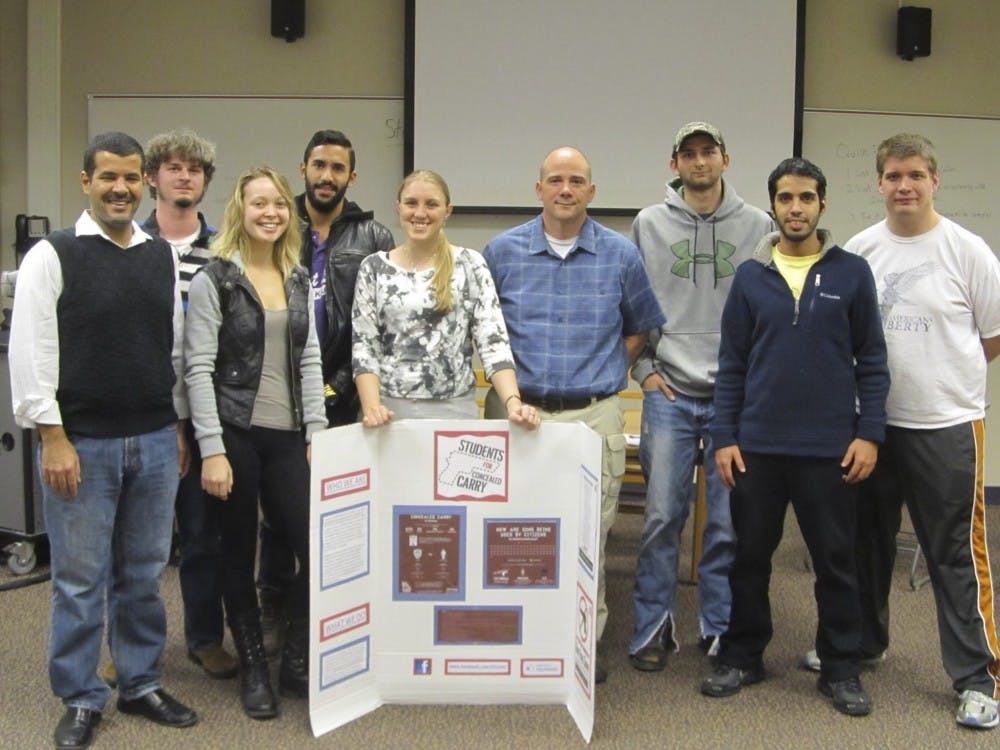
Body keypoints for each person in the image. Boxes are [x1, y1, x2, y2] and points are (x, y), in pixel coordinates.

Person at [9, 131, 198, 750]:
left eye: (130, 177)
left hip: (150, 440)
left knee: (142, 574)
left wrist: (172, 427)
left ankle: (139, 682)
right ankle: (82, 694)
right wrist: (52, 437)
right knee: (80, 578)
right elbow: (31, 354)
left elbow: (164, 351)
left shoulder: (158, 256)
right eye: (107, 177)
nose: (120, 188)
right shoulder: (53, 255)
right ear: (85, 181)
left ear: (144, 182)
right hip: (81, 444)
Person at [700, 158, 888, 717]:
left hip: (831, 449)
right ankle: (742, 655)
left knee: (836, 561)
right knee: (749, 557)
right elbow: (731, 364)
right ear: (773, 206)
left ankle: (840, 668)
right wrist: (725, 436)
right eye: (785, 199)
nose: (796, 208)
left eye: (806, 198)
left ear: (822, 205)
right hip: (757, 446)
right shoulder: (752, 277)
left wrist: (870, 434)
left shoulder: (852, 273)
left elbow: (872, 361)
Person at [829, 133, 999, 729]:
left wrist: (944, 382)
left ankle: (978, 677)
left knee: (954, 552)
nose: (905, 186)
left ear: (935, 181)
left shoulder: (967, 250)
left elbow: (992, 337)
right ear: (878, 183)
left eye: (916, 175)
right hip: (873, 426)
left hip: (946, 425)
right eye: (894, 176)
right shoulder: (861, 251)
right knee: (867, 543)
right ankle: (864, 644)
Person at [483, 146, 665, 683]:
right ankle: (509, 639)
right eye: (555, 180)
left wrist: (608, 366)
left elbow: (641, 326)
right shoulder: (501, 251)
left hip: (593, 417)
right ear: (537, 189)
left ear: (592, 191)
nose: (566, 189)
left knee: (588, 535)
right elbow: (483, 329)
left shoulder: (621, 255)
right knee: (506, 532)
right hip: (516, 414)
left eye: (577, 181)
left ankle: (581, 644)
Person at [628, 122, 773, 672]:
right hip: (670, 393)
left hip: (733, 399)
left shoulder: (759, 224)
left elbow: (768, 309)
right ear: (675, 165)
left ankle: (717, 626)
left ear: (725, 159)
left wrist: (753, 383)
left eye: (707, 152)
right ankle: (652, 626)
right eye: (687, 154)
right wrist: (643, 371)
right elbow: (632, 306)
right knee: (662, 516)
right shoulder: (648, 224)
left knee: (726, 523)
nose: (699, 162)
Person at [184, 165, 325, 720]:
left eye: (279, 205)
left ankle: (294, 660)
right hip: (235, 435)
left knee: (312, 546)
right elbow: (197, 370)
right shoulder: (214, 278)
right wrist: (212, 449)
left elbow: (309, 357)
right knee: (237, 554)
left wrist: (316, 430)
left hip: (290, 436)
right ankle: (255, 671)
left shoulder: (294, 275)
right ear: (239, 211)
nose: (271, 212)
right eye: (259, 203)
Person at [257, 129, 395, 653]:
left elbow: (377, 326)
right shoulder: (274, 225)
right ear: (304, 167)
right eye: (319, 165)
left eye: (338, 168)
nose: (327, 176)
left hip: (343, 395)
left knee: (340, 509)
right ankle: (273, 603)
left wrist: (339, 386)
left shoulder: (375, 238)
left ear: (351, 177)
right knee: (275, 511)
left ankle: (332, 612)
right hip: (277, 393)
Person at [141, 128, 239, 680]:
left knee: (204, 538)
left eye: (194, 169)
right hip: (145, 419)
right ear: (152, 177)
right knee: (138, 547)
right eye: (173, 167)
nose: (184, 176)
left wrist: (197, 426)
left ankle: (205, 639)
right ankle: (134, 648)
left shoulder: (226, 252)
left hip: (207, 420)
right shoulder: (125, 244)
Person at [351, 169, 538, 430]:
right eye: (411, 203)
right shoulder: (373, 268)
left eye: (431, 205)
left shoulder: (470, 265)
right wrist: (372, 408)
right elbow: (364, 347)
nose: (420, 213)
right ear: (398, 208)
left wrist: (513, 402)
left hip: (456, 412)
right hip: (388, 413)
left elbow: (492, 342)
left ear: (447, 211)